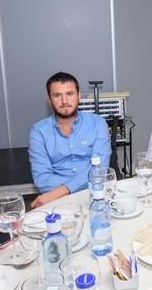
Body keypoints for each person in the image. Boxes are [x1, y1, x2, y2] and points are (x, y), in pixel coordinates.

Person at [29, 72, 111, 208]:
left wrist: (63, 190)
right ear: (49, 100)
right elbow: (42, 180)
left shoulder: (97, 123)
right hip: (58, 202)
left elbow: (100, 171)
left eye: (70, 94)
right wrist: (78, 184)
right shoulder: (38, 132)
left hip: (94, 196)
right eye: (57, 95)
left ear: (79, 96)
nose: (64, 101)